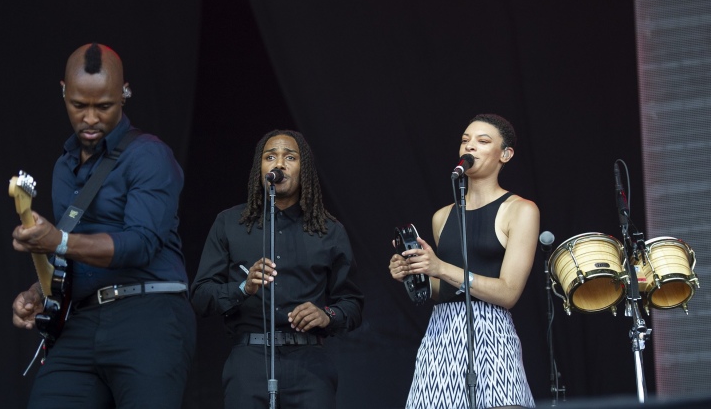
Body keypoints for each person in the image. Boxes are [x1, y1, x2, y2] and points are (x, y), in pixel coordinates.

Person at [11, 42, 196, 408]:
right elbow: (72, 254)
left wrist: (59, 240)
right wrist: (38, 291)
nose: (91, 118)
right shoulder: (64, 168)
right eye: (79, 105)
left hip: (148, 315)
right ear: (63, 91)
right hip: (81, 321)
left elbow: (140, 244)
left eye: (104, 106)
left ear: (125, 94)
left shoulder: (149, 155)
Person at [190, 129, 364, 409]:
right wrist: (242, 288)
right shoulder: (229, 223)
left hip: (310, 364)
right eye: (270, 157)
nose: (278, 164)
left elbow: (352, 303)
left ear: (303, 168)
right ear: (260, 167)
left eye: (290, 157)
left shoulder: (329, 230)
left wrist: (327, 314)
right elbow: (200, 296)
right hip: (249, 362)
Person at [389, 114, 538, 409]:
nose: (469, 147)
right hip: (443, 331)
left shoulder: (520, 210)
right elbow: (445, 288)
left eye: (482, 141)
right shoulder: (442, 216)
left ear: (505, 155)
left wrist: (440, 267)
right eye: (465, 141)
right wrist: (415, 272)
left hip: (492, 330)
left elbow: (509, 293)